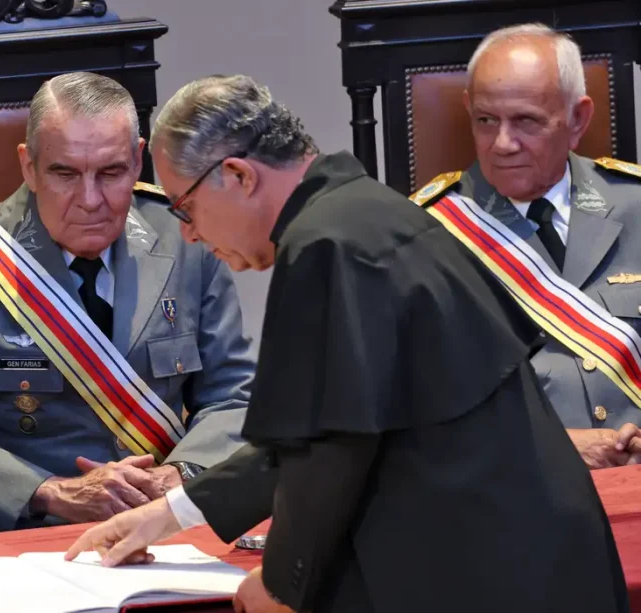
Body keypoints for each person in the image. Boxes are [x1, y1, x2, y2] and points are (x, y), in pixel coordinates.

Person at [65, 75, 628, 613]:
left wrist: (287, 586)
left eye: (184, 208)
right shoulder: (361, 212)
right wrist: (168, 514)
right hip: (528, 554)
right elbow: (320, 430)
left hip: (490, 575)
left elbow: (332, 450)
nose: (187, 232)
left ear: (237, 175)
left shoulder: (324, 245)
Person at [0, 71, 255, 533]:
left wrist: (181, 475)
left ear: (137, 161)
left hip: (167, 525)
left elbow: (235, 395)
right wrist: (47, 491)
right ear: (28, 166)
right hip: (28, 534)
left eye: (111, 172)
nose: (90, 199)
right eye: (65, 173)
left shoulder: (186, 241)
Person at [410, 23, 641, 469]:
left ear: (578, 119)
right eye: (485, 120)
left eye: (526, 121)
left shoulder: (635, 203)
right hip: (515, 497)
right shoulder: (423, 236)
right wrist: (555, 447)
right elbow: (415, 415)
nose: (502, 144)